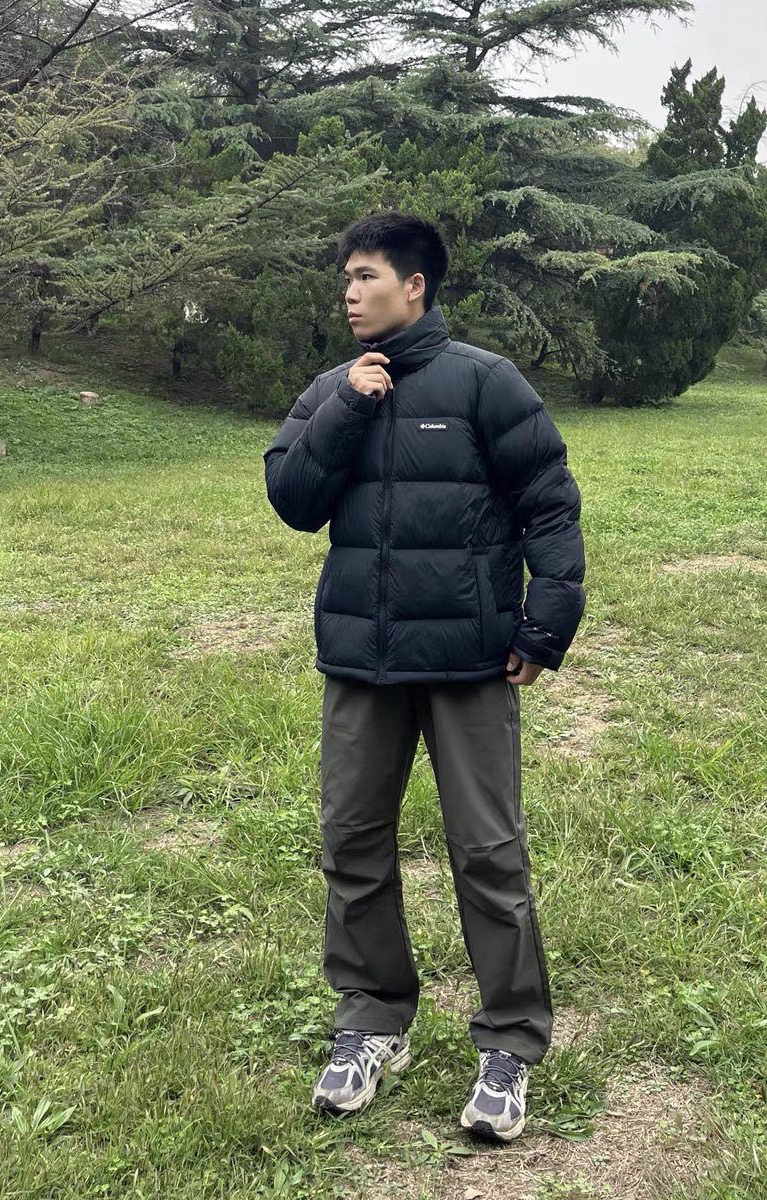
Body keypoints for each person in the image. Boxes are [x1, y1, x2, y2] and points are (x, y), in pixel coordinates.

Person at [262, 210, 586, 1143]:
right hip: (362, 662)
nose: (350, 293)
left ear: (414, 286)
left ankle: (510, 1042)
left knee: (488, 850)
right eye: (345, 278)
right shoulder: (333, 389)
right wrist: (348, 405)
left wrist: (545, 625)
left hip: (471, 662)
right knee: (353, 842)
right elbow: (293, 498)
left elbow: (550, 504)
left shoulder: (484, 381)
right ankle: (371, 1022)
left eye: (365, 276)